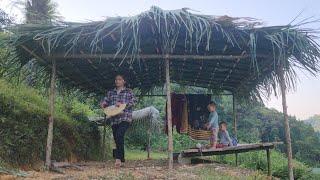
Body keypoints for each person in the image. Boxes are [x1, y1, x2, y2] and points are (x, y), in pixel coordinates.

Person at [100, 74, 136, 168]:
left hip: (125, 117)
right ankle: (120, 159)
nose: (117, 81)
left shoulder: (129, 92)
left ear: (124, 81)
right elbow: (105, 101)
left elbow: (133, 102)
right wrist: (103, 103)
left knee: (119, 135)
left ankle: (118, 159)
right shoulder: (110, 93)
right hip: (114, 118)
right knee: (116, 138)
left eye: (119, 79)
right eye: (116, 79)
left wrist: (123, 105)